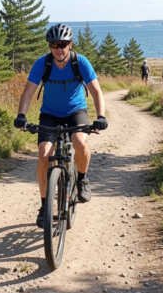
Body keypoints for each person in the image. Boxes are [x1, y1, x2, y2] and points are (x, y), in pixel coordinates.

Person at [13, 24, 108, 228]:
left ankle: (82, 179)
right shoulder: (43, 64)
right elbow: (28, 91)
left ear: (70, 44)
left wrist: (101, 116)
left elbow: (96, 91)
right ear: (50, 47)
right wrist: (21, 114)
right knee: (43, 153)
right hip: (50, 114)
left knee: (80, 143)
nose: (59, 49)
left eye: (63, 44)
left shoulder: (80, 62)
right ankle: (44, 206)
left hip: (76, 112)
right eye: (54, 45)